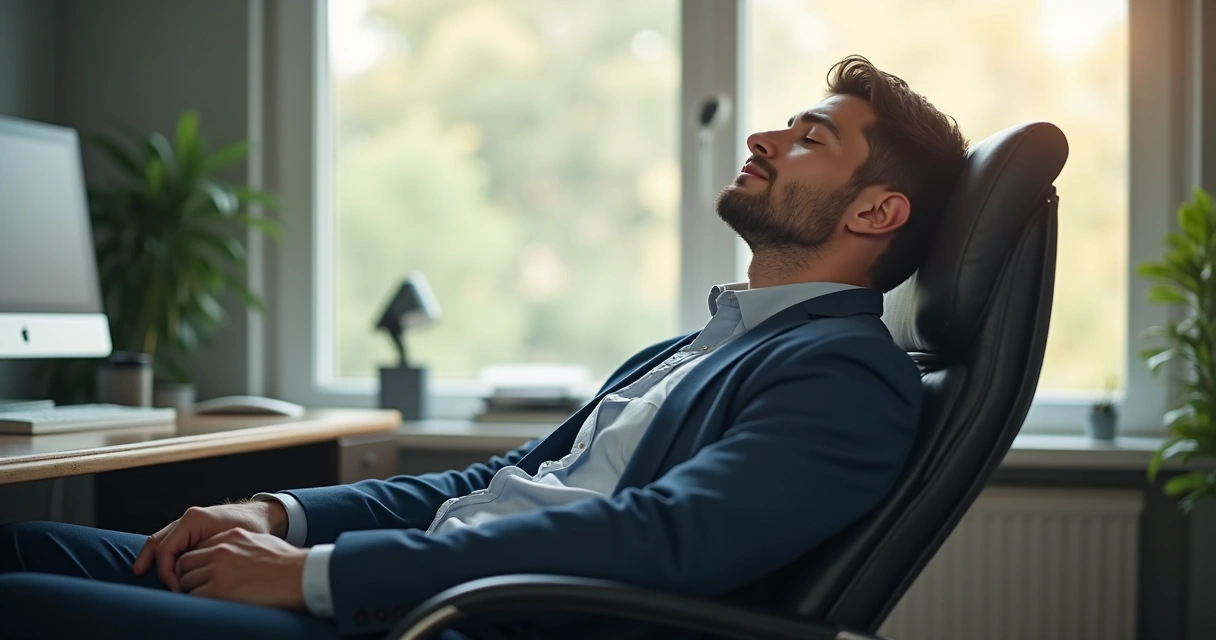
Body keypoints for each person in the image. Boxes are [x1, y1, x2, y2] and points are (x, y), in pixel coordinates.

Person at [0, 55, 967, 640]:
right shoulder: (694, 346)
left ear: (878, 210)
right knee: (24, 541)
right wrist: (279, 513)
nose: (762, 135)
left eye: (809, 138)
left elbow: (665, 539)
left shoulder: (845, 374)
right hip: (401, 587)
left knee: (20, 600)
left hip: (437, 622)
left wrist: (316, 577)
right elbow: (499, 481)